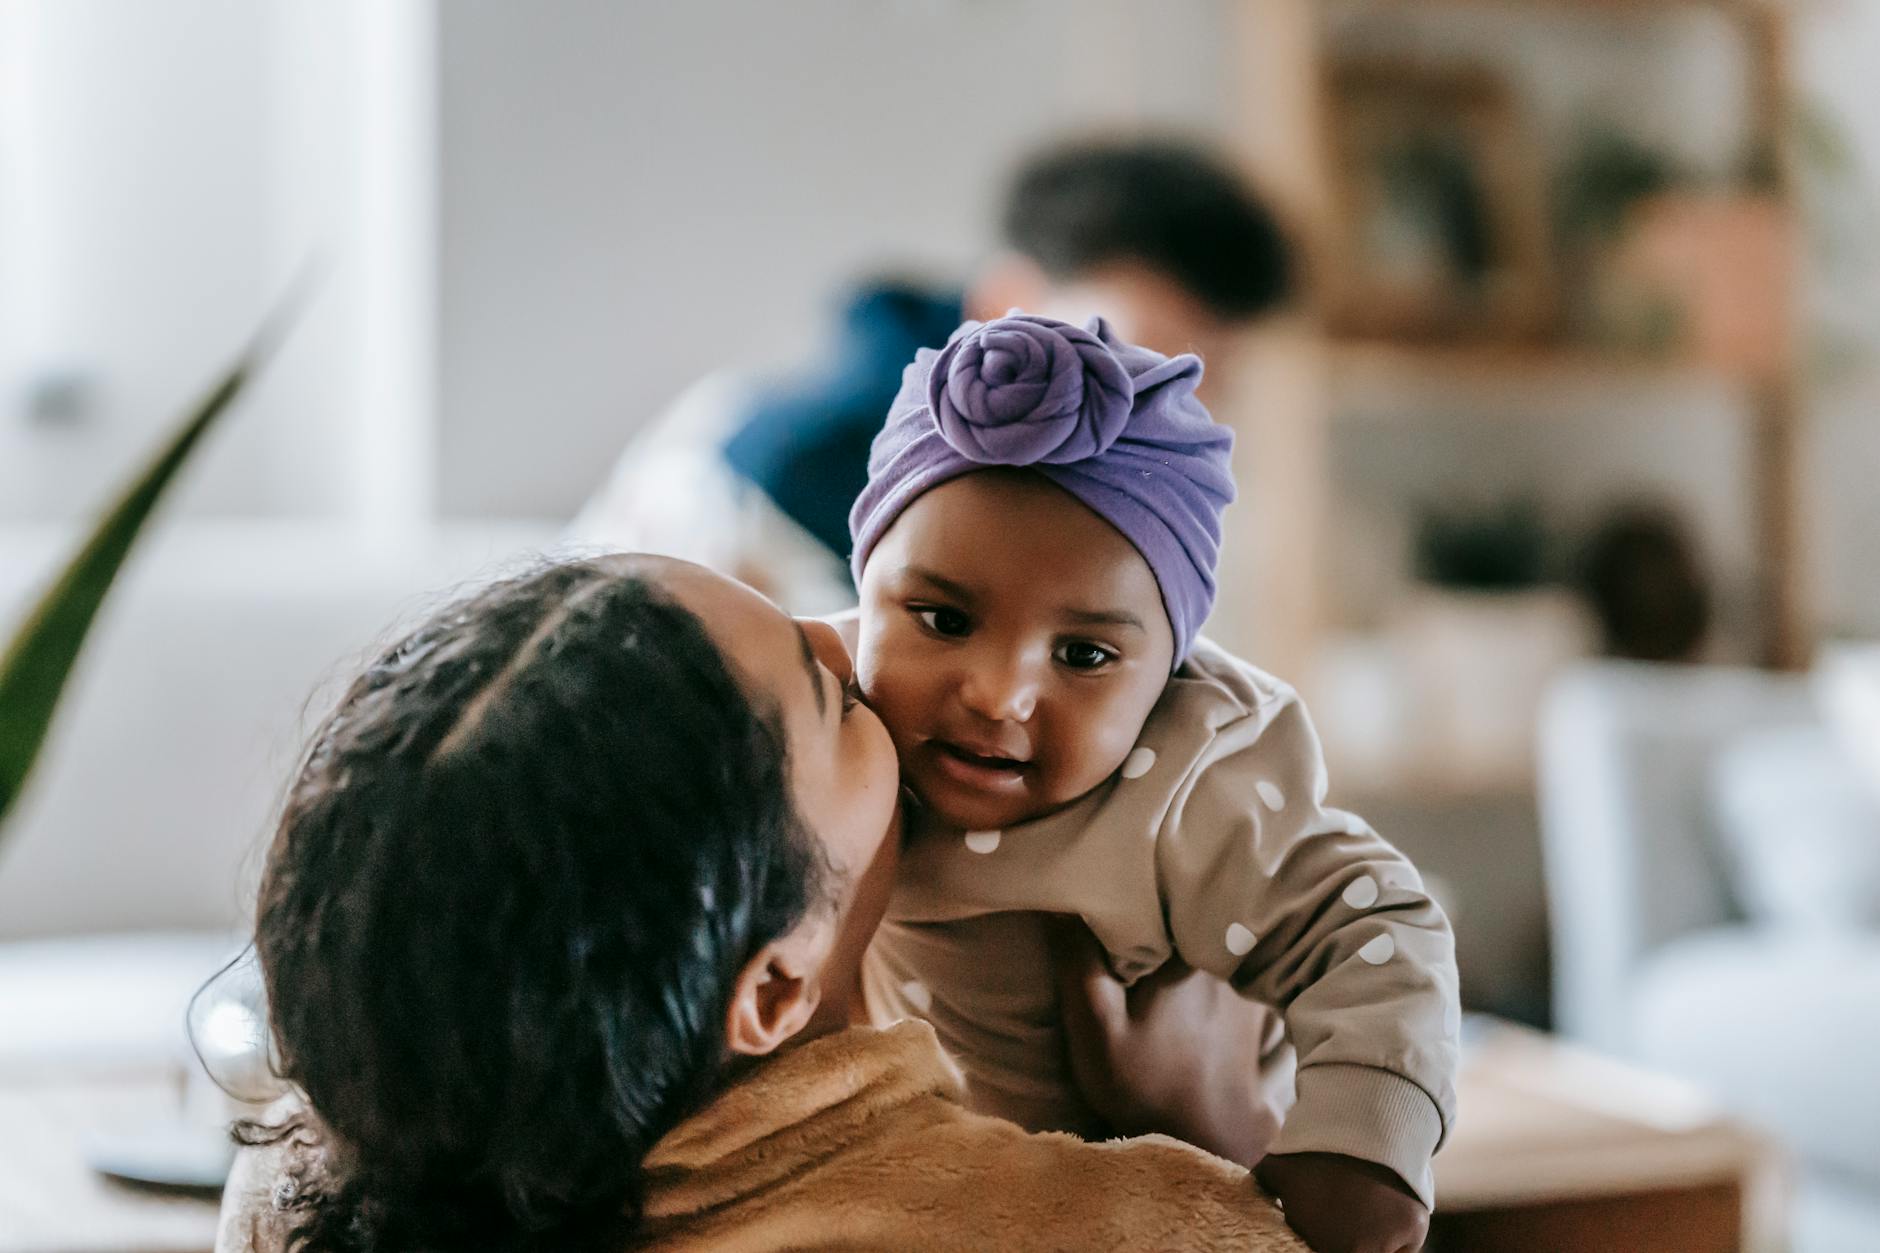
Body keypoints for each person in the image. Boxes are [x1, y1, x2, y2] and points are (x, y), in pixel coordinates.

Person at [213, 555, 1307, 1253]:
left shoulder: (289, 1194)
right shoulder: (1093, 1227)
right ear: (775, 983)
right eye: (829, 696)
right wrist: (1225, 1144)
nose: (853, 643)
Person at [846, 314, 1461, 1253]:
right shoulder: (823, 714)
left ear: (1166, 673)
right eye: (940, 617)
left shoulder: (1184, 784)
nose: (1000, 693)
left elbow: (1376, 926)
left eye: (1084, 653)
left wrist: (1361, 1154)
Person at [568, 138, 1294, 614]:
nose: (1177, 409)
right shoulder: (763, 477)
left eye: (1209, 380)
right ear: (1009, 302)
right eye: (1142, 357)